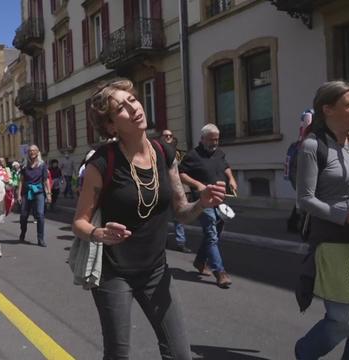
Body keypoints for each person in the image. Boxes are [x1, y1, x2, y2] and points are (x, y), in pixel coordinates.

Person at [72, 79, 226, 360]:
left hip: (156, 270)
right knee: (118, 355)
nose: (134, 108)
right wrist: (99, 233)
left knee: (180, 355)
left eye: (132, 100)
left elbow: (181, 211)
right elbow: (79, 223)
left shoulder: (164, 153)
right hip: (113, 273)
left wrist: (202, 203)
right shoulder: (102, 163)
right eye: (121, 107)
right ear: (110, 126)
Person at [294, 81, 349, 360]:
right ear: (328, 109)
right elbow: (305, 200)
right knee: (347, 320)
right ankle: (305, 353)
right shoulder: (312, 146)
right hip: (335, 242)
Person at [179, 123, 237, 288]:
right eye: (211, 140)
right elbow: (181, 173)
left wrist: (231, 179)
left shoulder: (219, 153)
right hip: (203, 202)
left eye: (217, 140)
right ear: (202, 139)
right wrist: (197, 184)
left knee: (216, 234)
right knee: (211, 233)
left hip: (220, 199)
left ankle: (199, 261)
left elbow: (226, 167)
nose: (214, 143)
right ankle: (220, 272)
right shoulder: (193, 155)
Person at [161, 130, 192, 254]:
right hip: (164, 190)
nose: (168, 137)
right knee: (162, 217)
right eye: (165, 136)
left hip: (178, 190)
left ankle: (181, 242)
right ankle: (163, 241)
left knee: (178, 217)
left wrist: (186, 190)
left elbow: (184, 171)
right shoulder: (158, 153)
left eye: (170, 136)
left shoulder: (179, 153)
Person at [17, 145, 51, 247]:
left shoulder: (42, 165)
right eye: (30, 151)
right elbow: (21, 181)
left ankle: (40, 238)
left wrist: (49, 194)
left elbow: (46, 180)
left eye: (34, 151)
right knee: (23, 215)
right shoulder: (24, 165)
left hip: (39, 192)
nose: (32, 153)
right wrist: (18, 194)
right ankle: (23, 232)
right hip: (26, 192)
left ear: (37, 152)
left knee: (40, 215)